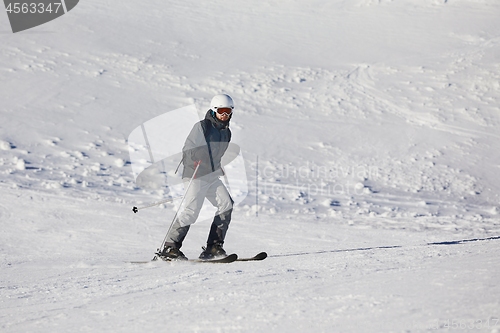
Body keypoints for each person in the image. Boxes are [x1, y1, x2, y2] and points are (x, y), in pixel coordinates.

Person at [159, 94, 235, 261]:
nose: (225, 114)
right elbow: (188, 150)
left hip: (211, 176)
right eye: (222, 110)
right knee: (191, 211)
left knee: (226, 204)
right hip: (195, 174)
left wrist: (217, 166)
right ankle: (170, 247)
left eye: (228, 111)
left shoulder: (226, 132)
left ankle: (213, 247)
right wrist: (197, 154)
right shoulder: (202, 127)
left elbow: (216, 155)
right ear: (214, 110)